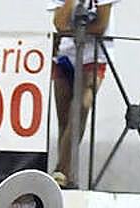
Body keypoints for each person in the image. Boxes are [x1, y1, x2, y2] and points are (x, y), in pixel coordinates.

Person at [47, 0, 118, 189]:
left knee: (82, 106)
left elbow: (101, 25)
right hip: (63, 54)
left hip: (94, 56)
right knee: (65, 119)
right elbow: (59, 23)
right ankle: (66, 176)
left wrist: (75, 32)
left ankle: (60, 170)